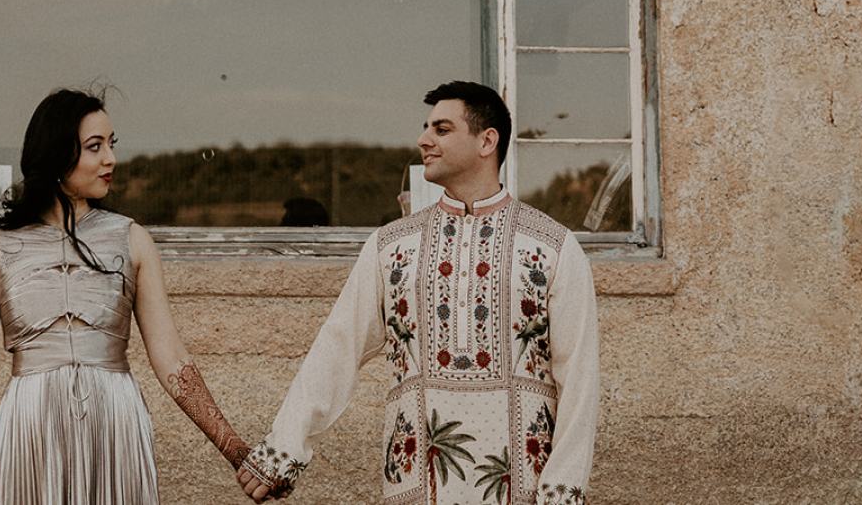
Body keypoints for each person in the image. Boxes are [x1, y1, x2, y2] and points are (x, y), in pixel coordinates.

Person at [237, 81, 599, 505]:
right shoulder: (393, 245)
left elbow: (579, 377)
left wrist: (562, 489)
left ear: (487, 141)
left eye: (442, 129)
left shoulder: (552, 247)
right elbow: (337, 348)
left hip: (524, 488)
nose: (423, 140)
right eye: (426, 127)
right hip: (416, 485)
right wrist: (283, 449)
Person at [0, 88, 250, 504]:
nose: (110, 159)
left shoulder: (133, 240)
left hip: (116, 419)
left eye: (112, 144)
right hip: (31, 424)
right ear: (57, 154)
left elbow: (172, 359)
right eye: (95, 147)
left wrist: (235, 450)